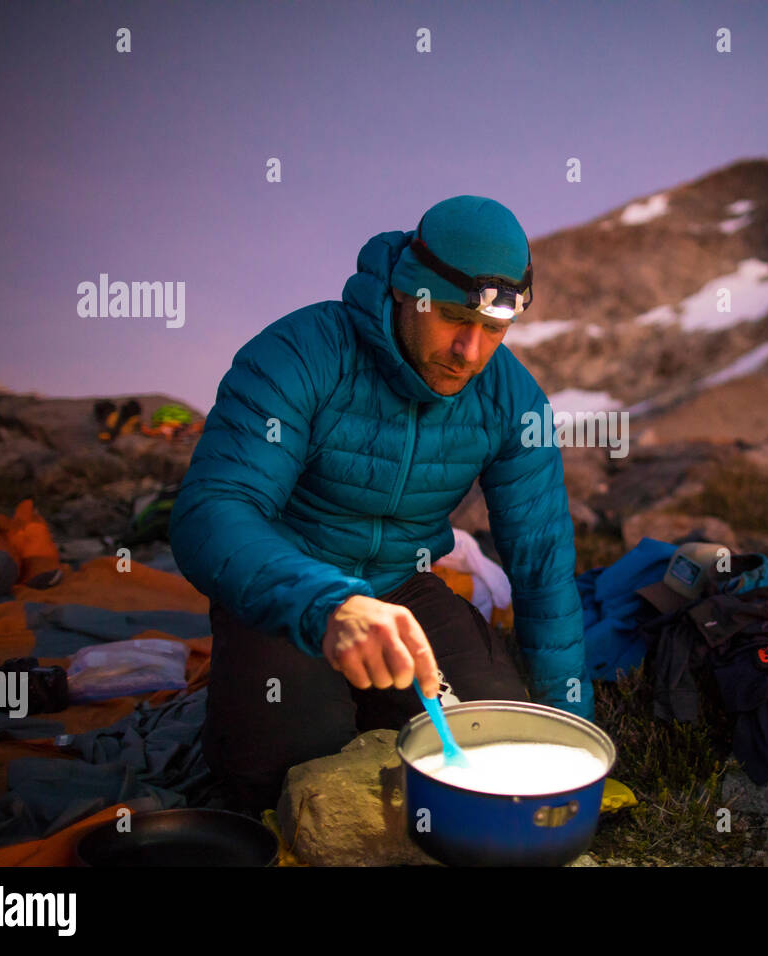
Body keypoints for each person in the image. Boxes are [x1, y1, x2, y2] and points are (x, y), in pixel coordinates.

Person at [169, 195, 593, 813]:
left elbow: (542, 564)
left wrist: (567, 742)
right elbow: (213, 511)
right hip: (291, 583)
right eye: (452, 318)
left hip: (403, 583)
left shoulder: (511, 399)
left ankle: (369, 698)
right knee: (286, 768)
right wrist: (328, 605)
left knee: (502, 736)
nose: (470, 352)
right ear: (406, 291)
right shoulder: (302, 352)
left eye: (494, 331)